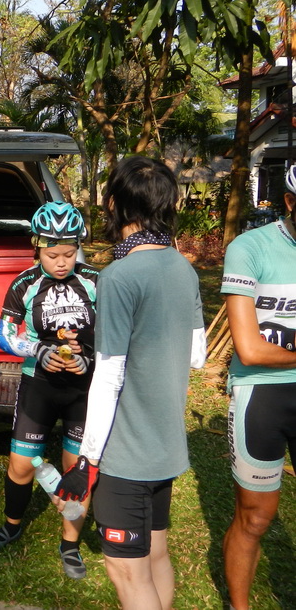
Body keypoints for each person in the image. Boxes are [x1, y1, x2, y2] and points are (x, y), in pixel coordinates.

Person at [54, 156, 206, 610]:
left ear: (114, 204)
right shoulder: (183, 268)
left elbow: (109, 377)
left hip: (125, 456)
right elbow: (196, 355)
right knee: (156, 555)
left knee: (126, 571)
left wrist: (86, 461)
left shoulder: (118, 277)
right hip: (165, 447)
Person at [0, 202, 98, 580]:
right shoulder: (24, 284)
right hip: (39, 385)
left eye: (69, 253)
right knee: (21, 465)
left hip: (83, 389)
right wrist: (38, 350)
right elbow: (3, 335)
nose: (61, 262)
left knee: (77, 468)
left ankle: (70, 545)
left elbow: (115, 336)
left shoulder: (96, 281)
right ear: (37, 246)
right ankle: (12, 526)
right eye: (52, 255)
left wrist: (89, 360)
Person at [222, 164, 296, 610]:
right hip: (261, 395)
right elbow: (249, 350)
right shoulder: (249, 248)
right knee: (255, 518)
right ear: (290, 201)